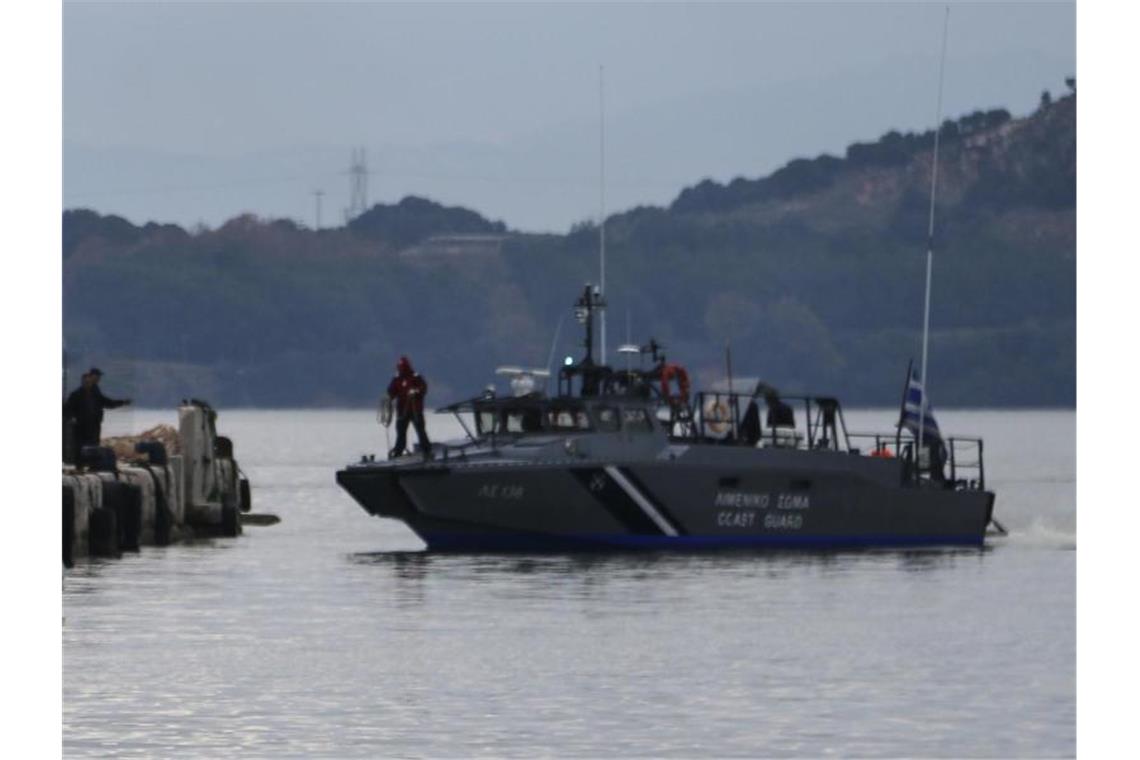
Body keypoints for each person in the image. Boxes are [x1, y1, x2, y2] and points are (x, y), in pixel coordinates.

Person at [63, 368, 131, 449]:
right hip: (81, 427)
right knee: (82, 447)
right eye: (96, 376)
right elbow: (67, 410)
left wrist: (122, 402)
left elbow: (106, 402)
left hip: (94, 425)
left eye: (99, 377)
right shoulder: (76, 395)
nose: (98, 379)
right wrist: (72, 419)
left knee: (93, 447)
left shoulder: (95, 391)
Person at [383, 356, 432, 459]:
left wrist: (416, 391)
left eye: (402, 367)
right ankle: (398, 452)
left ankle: (427, 451)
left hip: (415, 410)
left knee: (420, 431)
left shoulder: (416, 376)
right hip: (402, 411)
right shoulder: (396, 379)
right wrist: (388, 398)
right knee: (401, 432)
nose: (400, 369)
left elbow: (423, 388)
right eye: (399, 367)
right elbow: (391, 391)